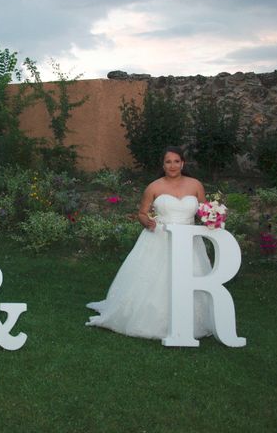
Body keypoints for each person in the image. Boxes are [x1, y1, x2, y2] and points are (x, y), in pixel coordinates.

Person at [86, 146, 214, 340]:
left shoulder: (195, 185)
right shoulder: (154, 187)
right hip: (160, 238)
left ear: (183, 163)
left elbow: (205, 210)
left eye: (176, 161)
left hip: (189, 240)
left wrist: (214, 217)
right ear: (163, 165)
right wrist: (147, 222)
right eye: (168, 162)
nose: (172, 165)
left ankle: (190, 321)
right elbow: (142, 213)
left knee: (190, 277)